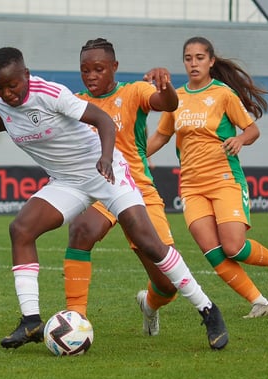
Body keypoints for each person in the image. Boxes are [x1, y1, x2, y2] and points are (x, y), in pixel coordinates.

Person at [0, 46, 228, 351]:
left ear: (26, 75)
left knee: (149, 243)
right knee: (21, 229)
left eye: (13, 85)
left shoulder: (52, 93)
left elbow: (104, 121)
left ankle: (208, 310)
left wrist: (106, 158)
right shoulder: (2, 101)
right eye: (0, 87)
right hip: (67, 182)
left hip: (106, 171)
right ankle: (31, 321)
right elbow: (10, 119)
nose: (7, 93)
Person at [147, 36, 268, 319]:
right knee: (213, 251)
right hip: (191, 186)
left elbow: (252, 130)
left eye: (199, 58)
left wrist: (240, 139)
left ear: (211, 61)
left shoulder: (223, 94)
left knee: (233, 247)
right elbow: (160, 136)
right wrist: (135, 154)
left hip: (224, 179)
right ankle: (260, 302)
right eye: (188, 58)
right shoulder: (176, 98)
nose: (193, 63)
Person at [63, 38, 180, 336]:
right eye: (85, 70)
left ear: (114, 67)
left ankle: (149, 304)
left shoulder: (134, 92)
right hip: (101, 190)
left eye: (99, 69)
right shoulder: (75, 102)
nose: (91, 76)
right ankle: (75, 321)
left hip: (138, 190)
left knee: (168, 284)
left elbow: (168, 104)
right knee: (81, 230)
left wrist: (165, 85)